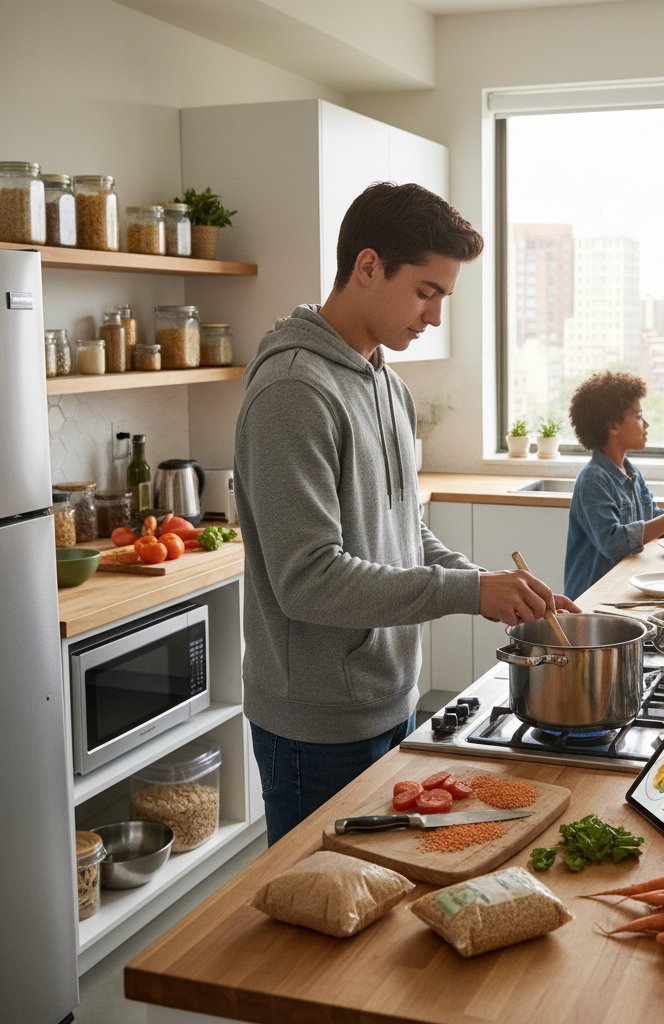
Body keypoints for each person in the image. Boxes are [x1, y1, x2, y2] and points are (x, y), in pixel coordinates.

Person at [234, 182, 578, 844]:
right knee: (325, 925)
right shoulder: (294, 391)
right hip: (317, 726)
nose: (435, 315)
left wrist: (496, 589)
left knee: (383, 903)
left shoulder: (386, 384)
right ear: (368, 266)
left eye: (443, 296)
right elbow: (308, 579)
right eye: (427, 292)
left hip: (390, 698)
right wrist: (469, 592)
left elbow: (402, 532)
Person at [563, 371, 664, 600]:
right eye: (639, 415)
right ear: (613, 426)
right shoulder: (594, 479)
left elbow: (654, 521)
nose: (646, 424)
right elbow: (614, 543)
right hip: (593, 598)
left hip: (623, 591)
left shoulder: (631, 473)